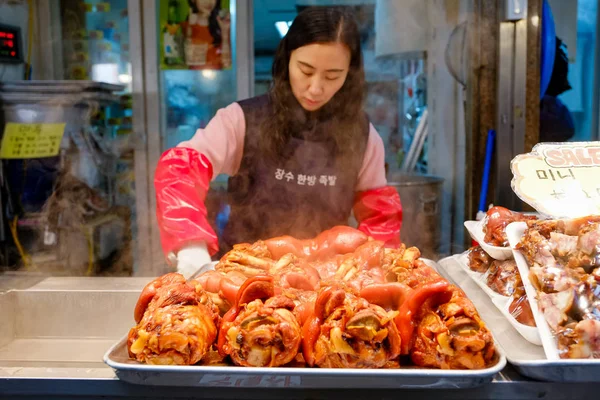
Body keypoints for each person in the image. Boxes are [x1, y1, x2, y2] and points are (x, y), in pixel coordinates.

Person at [155, 7, 403, 278]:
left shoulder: (364, 137)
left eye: (332, 76)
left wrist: (376, 269)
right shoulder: (241, 120)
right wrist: (190, 241)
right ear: (287, 60)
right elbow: (180, 169)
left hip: (324, 288)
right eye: (306, 71)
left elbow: (380, 219)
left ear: (350, 74)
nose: (316, 88)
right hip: (243, 281)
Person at [183, 0, 231, 69]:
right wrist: (190, 28)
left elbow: (226, 63)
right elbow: (188, 59)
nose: (208, 2)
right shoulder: (189, 25)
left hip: (218, 76)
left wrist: (225, 32)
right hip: (194, 76)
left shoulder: (221, 23)